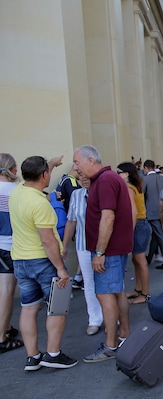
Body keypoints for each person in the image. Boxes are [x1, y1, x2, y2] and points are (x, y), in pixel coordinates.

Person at [10, 155, 78, 370]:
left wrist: (50, 164)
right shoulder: (40, 204)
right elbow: (47, 241)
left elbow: (35, 175)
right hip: (43, 262)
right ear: (44, 176)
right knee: (57, 306)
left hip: (20, 260)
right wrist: (60, 269)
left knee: (28, 308)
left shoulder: (18, 192)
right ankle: (53, 353)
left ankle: (33, 357)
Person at [73, 145, 134, 363]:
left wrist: (99, 252)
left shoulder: (105, 180)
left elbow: (107, 218)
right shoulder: (107, 179)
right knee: (116, 292)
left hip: (108, 251)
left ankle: (111, 345)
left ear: (91, 160)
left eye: (77, 162)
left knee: (106, 293)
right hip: (113, 249)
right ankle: (123, 335)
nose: (75, 168)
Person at [63, 174, 103, 335]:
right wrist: (64, 245)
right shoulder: (76, 195)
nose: (83, 179)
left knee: (108, 282)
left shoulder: (102, 192)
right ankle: (94, 319)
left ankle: (113, 317)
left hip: (104, 245)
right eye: (80, 177)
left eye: (87, 176)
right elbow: (71, 220)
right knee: (89, 283)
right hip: (83, 246)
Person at [116, 162, 151, 305]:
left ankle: (145, 293)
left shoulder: (129, 188)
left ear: (126, 174)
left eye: (119, 172)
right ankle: (138, 289)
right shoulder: (134, 186)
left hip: (138, 226)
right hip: (140, 225)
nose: (116, 174)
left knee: (140, 260)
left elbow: (133, 212)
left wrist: (128, 232)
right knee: (136, 260)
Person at [0, 154, 22, 353]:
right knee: (6, 291)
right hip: (9, 245)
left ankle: (5, 327)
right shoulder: (17, 191)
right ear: (14, 169)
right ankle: (1, 337)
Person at [143, 159, 163, 269]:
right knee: (156, 235)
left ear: (145, 168)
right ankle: (150, 257)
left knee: (159, 236)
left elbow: (143, 195)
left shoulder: (144, 179)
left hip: (151, 210)